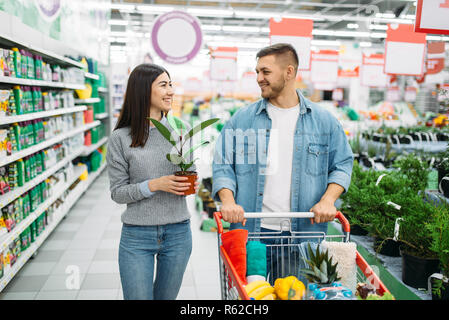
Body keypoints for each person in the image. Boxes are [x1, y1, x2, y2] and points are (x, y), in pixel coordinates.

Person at [211, 43, 353, 282]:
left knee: (291, 296)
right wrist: (228, 201)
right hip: (251, 234)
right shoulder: (242, 120)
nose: (259, 78)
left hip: (301, 235)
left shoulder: (324, 122)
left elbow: (343, 164)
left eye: (265, 72)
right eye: (257, 72)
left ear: (289, 72)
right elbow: (222, 163)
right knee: (251, 298)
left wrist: (328, 201)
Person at [106, 63, 198, 300]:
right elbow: (117, 193)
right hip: (137, 236)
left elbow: (191, 171)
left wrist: (192, 183)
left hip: (178, 232)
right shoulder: (120, 138)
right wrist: (154, 185)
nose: (171, 91)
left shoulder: (180, 130)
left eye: (171, 85)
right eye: (163, 85)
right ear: (143, 90)